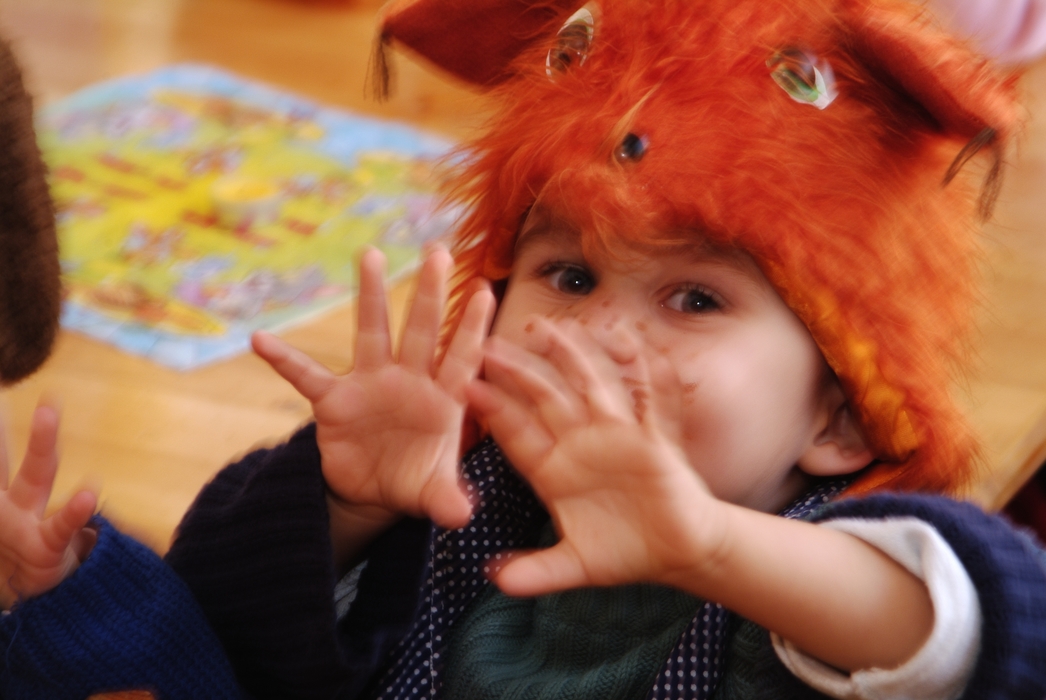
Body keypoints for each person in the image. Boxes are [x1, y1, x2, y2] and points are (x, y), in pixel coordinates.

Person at [3, 0, 1046, 698]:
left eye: (692, 297)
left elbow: (976, 625)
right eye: (568, 275)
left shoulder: (839, 579)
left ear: (841, 412)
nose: (597, 331)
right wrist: (345, 505)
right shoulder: (458, 491)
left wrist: (707, 545)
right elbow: (233, 642)